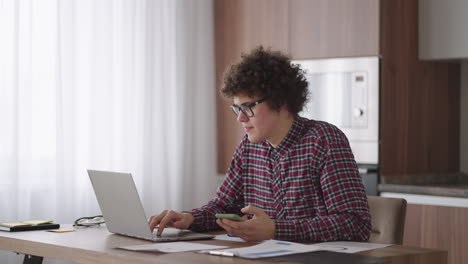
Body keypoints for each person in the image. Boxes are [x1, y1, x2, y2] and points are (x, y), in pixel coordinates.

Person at [149, 46, 371, 242]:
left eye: (248, 107)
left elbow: (355, 224)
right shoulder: (249, 146)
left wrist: (275, 229)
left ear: (281, 102)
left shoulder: (323, 140)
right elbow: (224, 206)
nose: (240, 118)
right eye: (236, 108)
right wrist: (189, 218)